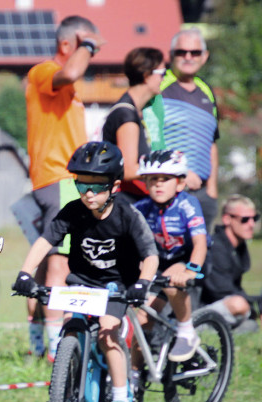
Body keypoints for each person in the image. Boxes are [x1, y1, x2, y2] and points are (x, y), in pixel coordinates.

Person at [13, 141, 158, 402]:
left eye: (96, 186)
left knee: (107, 333)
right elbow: (45, 241)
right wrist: (26, 273)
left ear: (115, 186)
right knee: (71, 328)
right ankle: (69, 389)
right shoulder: (73, 211)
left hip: (116, 286)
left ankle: (120, 399)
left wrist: (142, 284)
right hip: (81, 284)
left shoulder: (128, 216)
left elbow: (150, 256)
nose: (88, 194)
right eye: (82, 185)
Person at [24, 15, 105, 360]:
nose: (92, 55)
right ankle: (56, 350)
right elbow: (71, 71)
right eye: (87, 46)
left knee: (46, 264)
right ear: (67, 43)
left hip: (60, 180)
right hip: (59, 180)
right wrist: (88, 43)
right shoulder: (44, 71)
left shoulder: (67, 89)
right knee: (61, 262)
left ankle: (38, 343)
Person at [132, 150, 207, 360]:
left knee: (172, 279)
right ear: (145, 184)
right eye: (153, 179)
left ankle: (186, 331)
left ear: (180, 184)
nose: (158, 184)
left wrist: (191, 270)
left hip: (186, 259)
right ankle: (135, 379)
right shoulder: (140, 209)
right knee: (142, 319)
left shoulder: (187, 204)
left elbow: (200, 243)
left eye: (165, 179)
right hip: (157, 262)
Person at [154, 28, 220, 227]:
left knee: (201, 254)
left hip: (202, 194)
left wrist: (212, 189)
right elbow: (151, 138)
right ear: (171, 55)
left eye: (195, 52)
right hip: (169, 190)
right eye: (181, 52)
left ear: (205, 56)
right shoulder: (159, 87)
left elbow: (212, 143)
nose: (188, 57)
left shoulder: (206, 91)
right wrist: (179, 173)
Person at [101, 47, 165, 205]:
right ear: (146, 75)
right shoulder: (126, 114)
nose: (163, 79)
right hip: (126, 202)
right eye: (162, 73)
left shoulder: (134, 111)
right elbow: (128, 170)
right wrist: (167, 169)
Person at [199, 194, 262, 331]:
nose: (251, 224)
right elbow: (222, 292)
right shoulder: (215, 247)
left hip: (220, 309)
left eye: (254, 218)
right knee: (238, 304)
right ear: (227, 219)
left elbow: (236, 289)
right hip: (199, 312)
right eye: (245, 219)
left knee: (250, 326)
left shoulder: (238, 247)